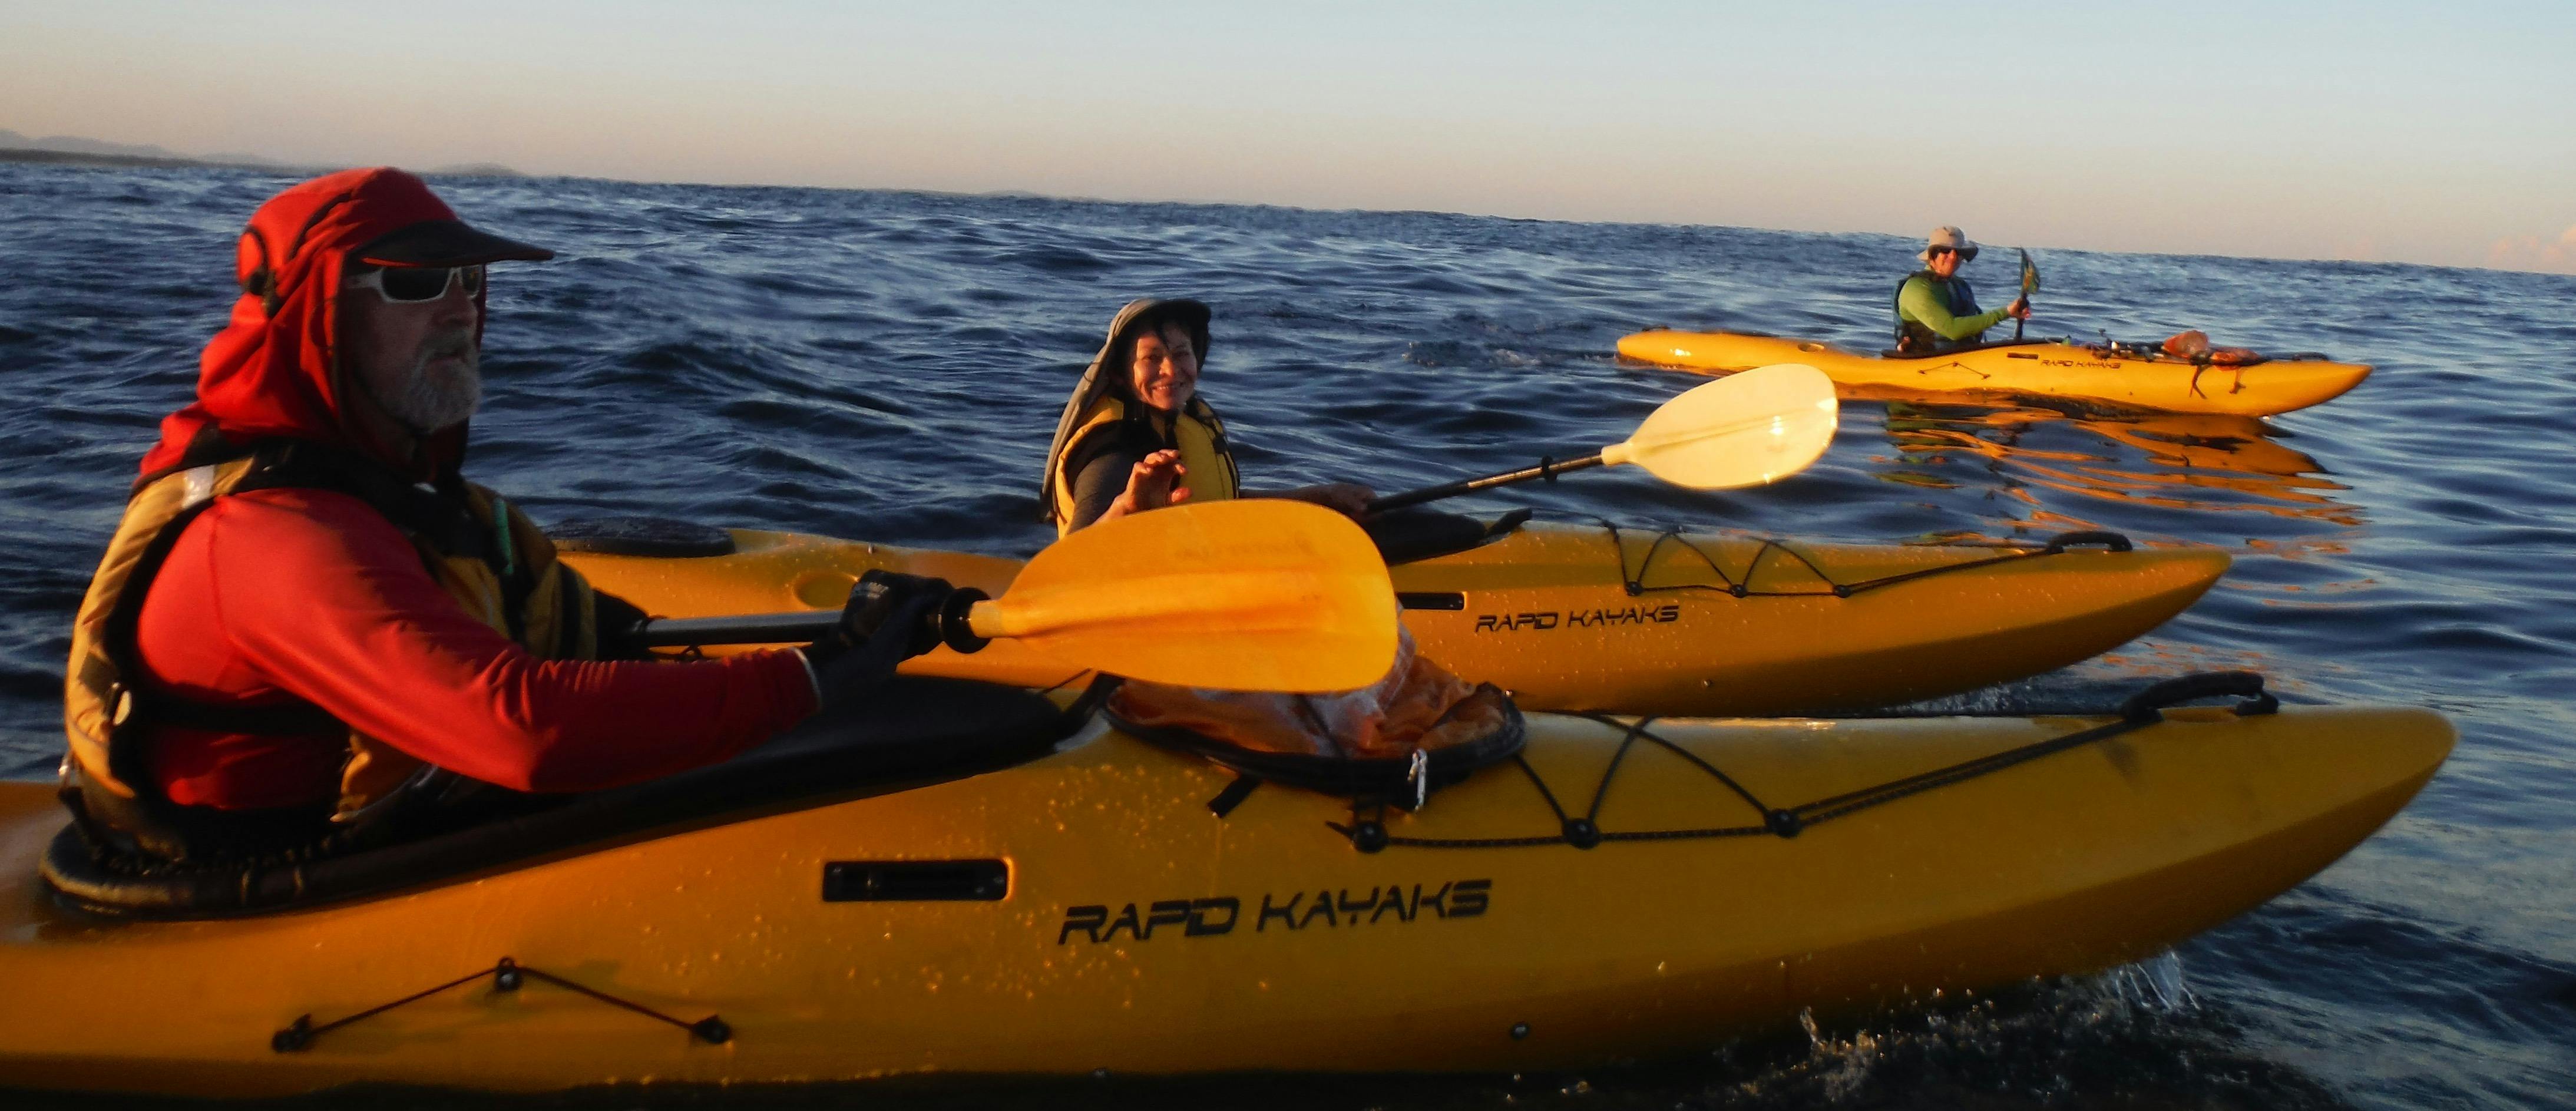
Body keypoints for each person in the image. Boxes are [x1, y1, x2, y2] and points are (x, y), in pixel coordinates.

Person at [59, 167, 948, 866]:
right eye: (413, 283)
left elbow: (578, 630)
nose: (460, 305)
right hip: (276, 885)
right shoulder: (273, 539)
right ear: (313, 316)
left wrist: (846, 641)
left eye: (469, 276)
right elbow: (520, 728)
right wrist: (820, 675)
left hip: (409, 826)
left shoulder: (414, 500)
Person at [1039, 298, 1372, 536]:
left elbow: (1218, 504)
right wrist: (1124, 510)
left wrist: (1323, 498)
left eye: (1181, 354)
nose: (1170, 370)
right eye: (1152, 358)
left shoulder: (1185, 417)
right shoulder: (1114, 449)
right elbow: (1075, 557)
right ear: (1120, 374)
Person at [1893, 226, 2029, 356]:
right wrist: (2006, 313)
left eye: (1959, 252)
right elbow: (1952, 330)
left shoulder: (1961, 285)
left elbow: (1974, 323)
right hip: (1926, 362)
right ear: (1932, 256)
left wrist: (2016, 311)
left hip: (1963, 358)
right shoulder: (1916, 289)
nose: (1953, 257)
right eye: (1945, 251)